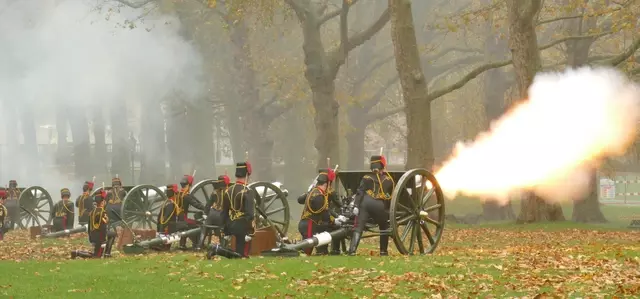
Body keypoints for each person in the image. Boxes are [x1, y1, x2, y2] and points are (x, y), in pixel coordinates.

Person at [348, 155, 395, 256]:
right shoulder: (388, 180)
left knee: (358, 226)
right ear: (382, 167)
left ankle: (352, 251)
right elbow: (390, 196)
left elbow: (360, 192)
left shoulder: (366, 178)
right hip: (379, 205)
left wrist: (356, 205)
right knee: (384, 226)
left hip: (365, 203)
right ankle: (383, 251)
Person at [298, 169, 346, 255]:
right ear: (326, 184)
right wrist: (335, 221)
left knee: (312, 250)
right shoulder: (319, 196)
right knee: (305, 253)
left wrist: (335, 217)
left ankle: (324, 250)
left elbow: (325, 210)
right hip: (309, 226)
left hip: (311, 224)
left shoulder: (314, 191)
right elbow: (324, 214)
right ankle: (329, 250)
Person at [220, 161, 255, 258]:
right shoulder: (248, 191)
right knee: (241, 254)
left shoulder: (228, 190)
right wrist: (250, 231)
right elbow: (250, 214)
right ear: (247, 174)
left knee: (235, 252)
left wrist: (225, 230)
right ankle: (240, 255)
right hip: (243, 227)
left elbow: (224, 213)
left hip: (230, 225)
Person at [70, 190, 116, 259]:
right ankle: (107, 254)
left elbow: (90, 228)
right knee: (96, 256)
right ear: (102, 202)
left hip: (92, 236)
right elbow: (102, 227)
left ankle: (77, 252)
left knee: (95, 253)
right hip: (100, 238)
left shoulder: (92, 212)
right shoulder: (102, 212)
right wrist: (103, 241)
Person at [197, 174, 230, 250]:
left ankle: (200, 245)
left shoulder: (214, 192)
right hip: (221, 216)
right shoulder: (229, 192)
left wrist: (205, 214)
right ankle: (223, 245)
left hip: (212, 215)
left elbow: (208, 205)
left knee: (205, 227)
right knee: (225, 226)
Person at [175, 175, 205, 250]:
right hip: (184, 219)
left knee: (187, 225)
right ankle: (196, 244)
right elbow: (196, 205)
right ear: (188, 185)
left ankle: (182, 245)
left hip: (178, 218)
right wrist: (206, 208)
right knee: (199, 224)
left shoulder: (178, 194)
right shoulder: (186, 196)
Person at [156, 184, 179, 251]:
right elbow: (166, 219)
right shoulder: (171, 204)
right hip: (167, 228)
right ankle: (165, 245)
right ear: (174, 193)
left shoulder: (166, 202)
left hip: (161, 226)